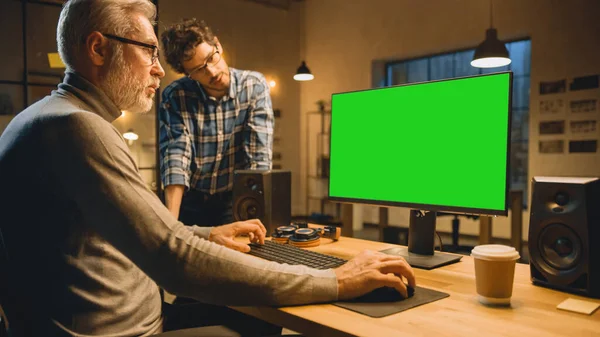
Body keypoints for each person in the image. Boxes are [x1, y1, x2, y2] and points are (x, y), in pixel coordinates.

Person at [0, 0, 416, 336]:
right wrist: (338, 280)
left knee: (255, 314)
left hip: (134, 314)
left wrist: (207, 234)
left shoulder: (42, 118)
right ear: (98, 48)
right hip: (132, 330)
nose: (159, 70)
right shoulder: (78, 128)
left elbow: (130, 232)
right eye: (148, 51)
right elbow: (173, 256)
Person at [158, 18, 273, 227]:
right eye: (198, 70)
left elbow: (258, 158)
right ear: (188, 75)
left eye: (211, 58)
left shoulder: (253, 87)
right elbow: (176, 157)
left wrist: (261, 218)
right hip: (190, 200)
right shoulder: (176, 96)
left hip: (233, 199)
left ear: (217, 45)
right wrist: (170, 225)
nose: (210, 72)